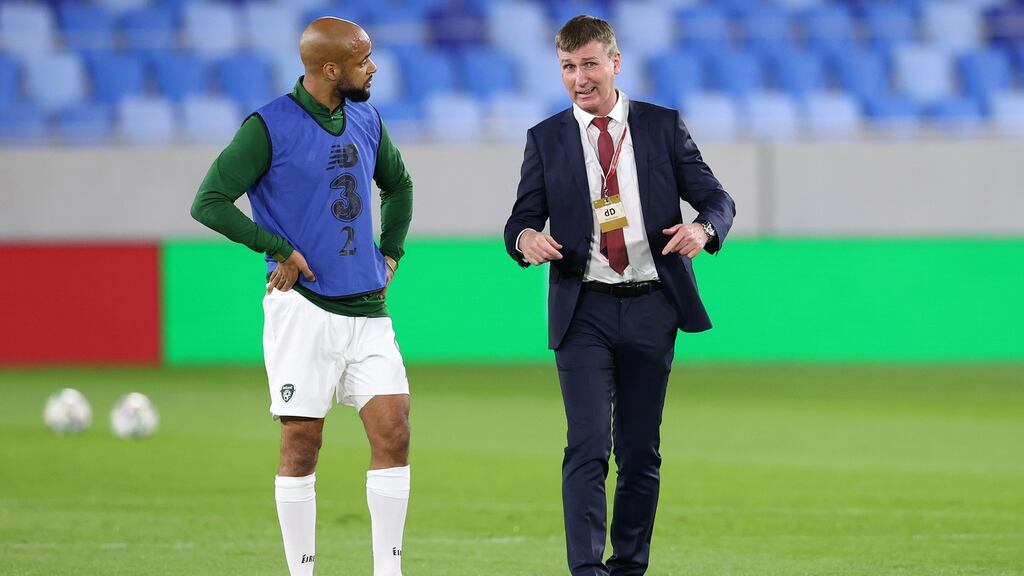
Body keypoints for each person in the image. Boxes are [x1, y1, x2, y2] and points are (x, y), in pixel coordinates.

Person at [503, 15, 736, 576]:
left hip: (653, 305)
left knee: (639, 450)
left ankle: (629, 566)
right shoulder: (545, 138)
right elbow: (520, 219)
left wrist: (703, 229)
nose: (579, 78)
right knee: (587, 445)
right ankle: (586, 570)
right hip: (582, 307)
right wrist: (525, 240)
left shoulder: (661, 126)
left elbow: (717, 199)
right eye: (567, 67)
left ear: (615, 63)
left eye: (589, 64)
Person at [191, 18, 414, 576]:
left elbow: (399, 184)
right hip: (303, 308)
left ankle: (388, 570)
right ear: (330, 69)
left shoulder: (366, 116)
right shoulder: (268, 126)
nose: (373, 68)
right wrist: (277, 249)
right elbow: (209, 201)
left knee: (394, 430)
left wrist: (390, 253)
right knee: (302, 444)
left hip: (368, 309)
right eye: (363, 60)